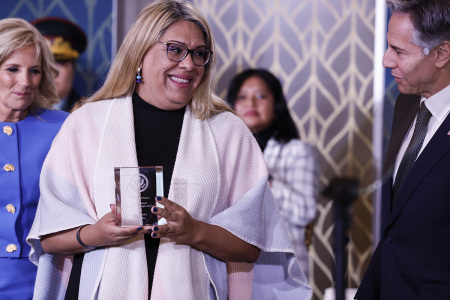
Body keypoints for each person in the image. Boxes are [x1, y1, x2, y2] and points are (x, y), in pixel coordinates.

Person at [27, 1, 312, 299]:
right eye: (175, 50)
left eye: (199, 54)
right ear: (139, 53)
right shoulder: (86, 123)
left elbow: (251, 245)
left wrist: (193, 231)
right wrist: (93, 234)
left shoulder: (226, 131)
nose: (189, 64)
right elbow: (47, 236)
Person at [355, 0, 450, 299]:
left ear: (441, 54)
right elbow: (395, 232)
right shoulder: (406, 104)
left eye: (399, 51)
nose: (386, 60)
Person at [226, 69, 318, 279]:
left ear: (276, 105)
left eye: (260, 96)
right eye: (242, 96)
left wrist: (265, 179)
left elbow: (304, 212)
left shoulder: (296, 151)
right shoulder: (223, 152)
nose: (251, 103)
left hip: (281, 269)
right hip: (231, 265)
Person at [0, 18, 68, 299]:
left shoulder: (65, 127)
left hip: (46, 277)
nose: (25, 82)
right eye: (12, 69)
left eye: (35, 71)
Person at [31, 17, 87, 112]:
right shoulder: (14, 112)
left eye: (60, 62)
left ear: (73, 69)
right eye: (44, 63)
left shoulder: (88, 112)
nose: (52, 72)